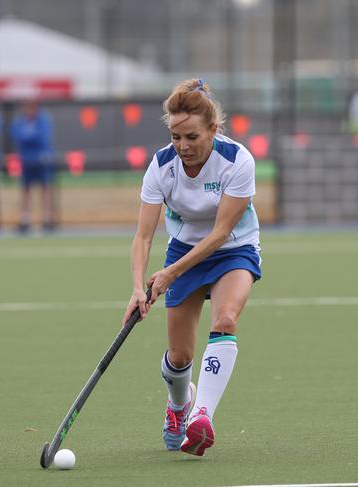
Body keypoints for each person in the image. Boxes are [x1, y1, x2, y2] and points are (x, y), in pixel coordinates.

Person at [124, 78, 261, 457]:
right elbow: (144, 236)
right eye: (175, 137)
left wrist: (169, 274)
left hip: (233, 250)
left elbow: (220, 233)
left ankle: (202, 417)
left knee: (226, 319)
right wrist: (139, 286)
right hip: (182, 249)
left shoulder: (238, 161)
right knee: (180, 356)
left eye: (192, 137)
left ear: (213, 130)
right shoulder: (162, 166)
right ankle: (179, 405)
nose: (183, 146)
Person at [9, 100, 57, 232]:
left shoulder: (43, 120)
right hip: (26, 160)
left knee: (45, 189)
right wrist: (29, 137)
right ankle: (25, 219)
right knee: (25, 190)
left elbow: (42, 137)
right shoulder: (20, 122)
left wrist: (29, 137)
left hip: (42, 160)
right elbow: (17, 136)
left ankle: (47, 219)